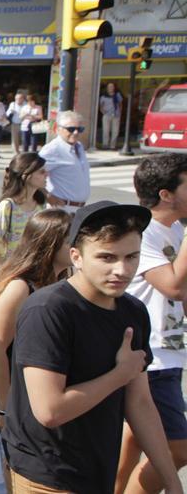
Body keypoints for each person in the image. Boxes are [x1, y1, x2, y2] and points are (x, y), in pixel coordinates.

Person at [3, 201, 183, 494]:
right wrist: (120, 374)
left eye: (132, 256)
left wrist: (172, 482)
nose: (122, 270)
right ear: (77, 256)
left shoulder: (133, 310)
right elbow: (50, 410)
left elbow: (139, 403)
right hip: (46, 476)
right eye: (107, 257)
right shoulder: (48, 310)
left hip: (98, 468)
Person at [0, 209, 74, 492]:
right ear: (50, 243)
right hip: (11, 392)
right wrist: (4, 408)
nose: (77, 246)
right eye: (71, 239)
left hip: (38, 388)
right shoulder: (19, 287)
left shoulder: (63, 278)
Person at [116, 153, 187, 494]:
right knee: (178, 448)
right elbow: (172, 283)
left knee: (132, 442)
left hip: (168, 349)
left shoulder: (173, 228)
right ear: (166, 194)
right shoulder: (143, 232)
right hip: (152, 354)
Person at [0, 153, 47, 270]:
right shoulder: (8, 206)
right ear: (26, 175)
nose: (47, 175)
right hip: (9, 271)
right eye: (41, 172)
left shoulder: (40, 206)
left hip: (31, 269)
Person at [40, 111, 91, 213]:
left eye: (79, 129)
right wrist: (47, 195)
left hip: (79, 209)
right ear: (58, 129)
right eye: (71, 129)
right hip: (61, 208)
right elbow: (29, 173)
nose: (75, 132)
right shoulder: (53, 149)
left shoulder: (79, 146)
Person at [101, 83, 123, 150]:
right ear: (107, 88)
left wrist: (119, 113)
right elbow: (101, 106)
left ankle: (112, 146)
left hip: (116, 115)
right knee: (106, 131)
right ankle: (105, 145)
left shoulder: (117, 95)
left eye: (112, 86)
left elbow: (120, 104)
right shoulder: (103, 96)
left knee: (115, 131)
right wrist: (103, 112)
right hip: (107, 115)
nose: (111, 88)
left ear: (114, 87)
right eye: (109, 86)